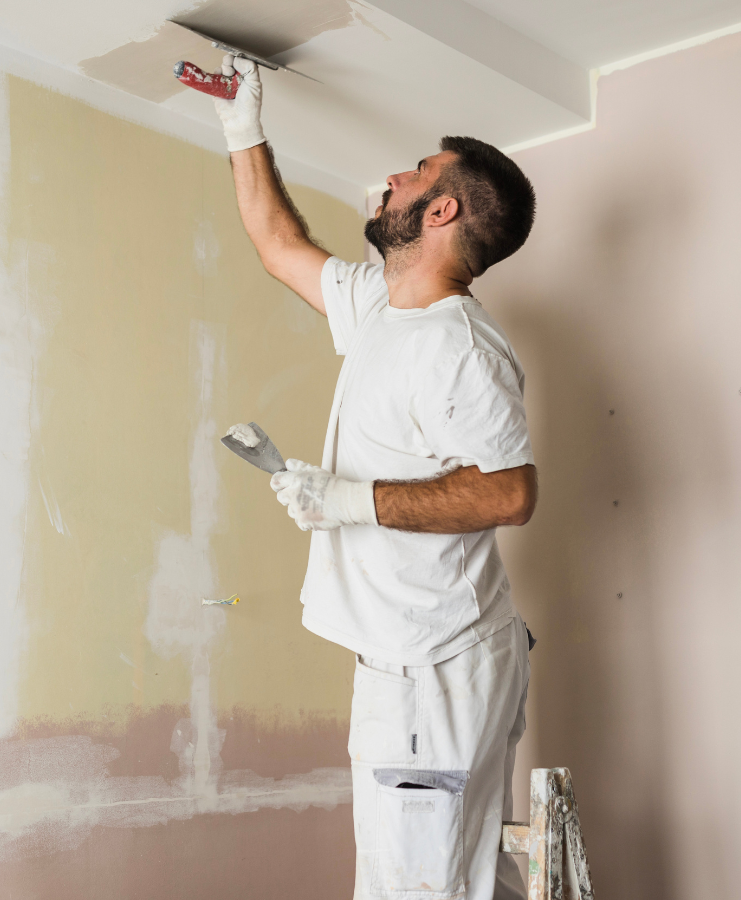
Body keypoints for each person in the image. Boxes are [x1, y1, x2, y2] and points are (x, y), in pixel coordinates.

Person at [214, 54, 538, 900]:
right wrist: (243, 127)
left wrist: (348, 501)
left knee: (425, 888)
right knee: (423, 880)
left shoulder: (460, 347)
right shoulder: (379, 311)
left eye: (417, 172)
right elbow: (278, 244)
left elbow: (511, 492)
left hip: (436, 668)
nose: (392, 178)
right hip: (398, 660)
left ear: (442, 209)